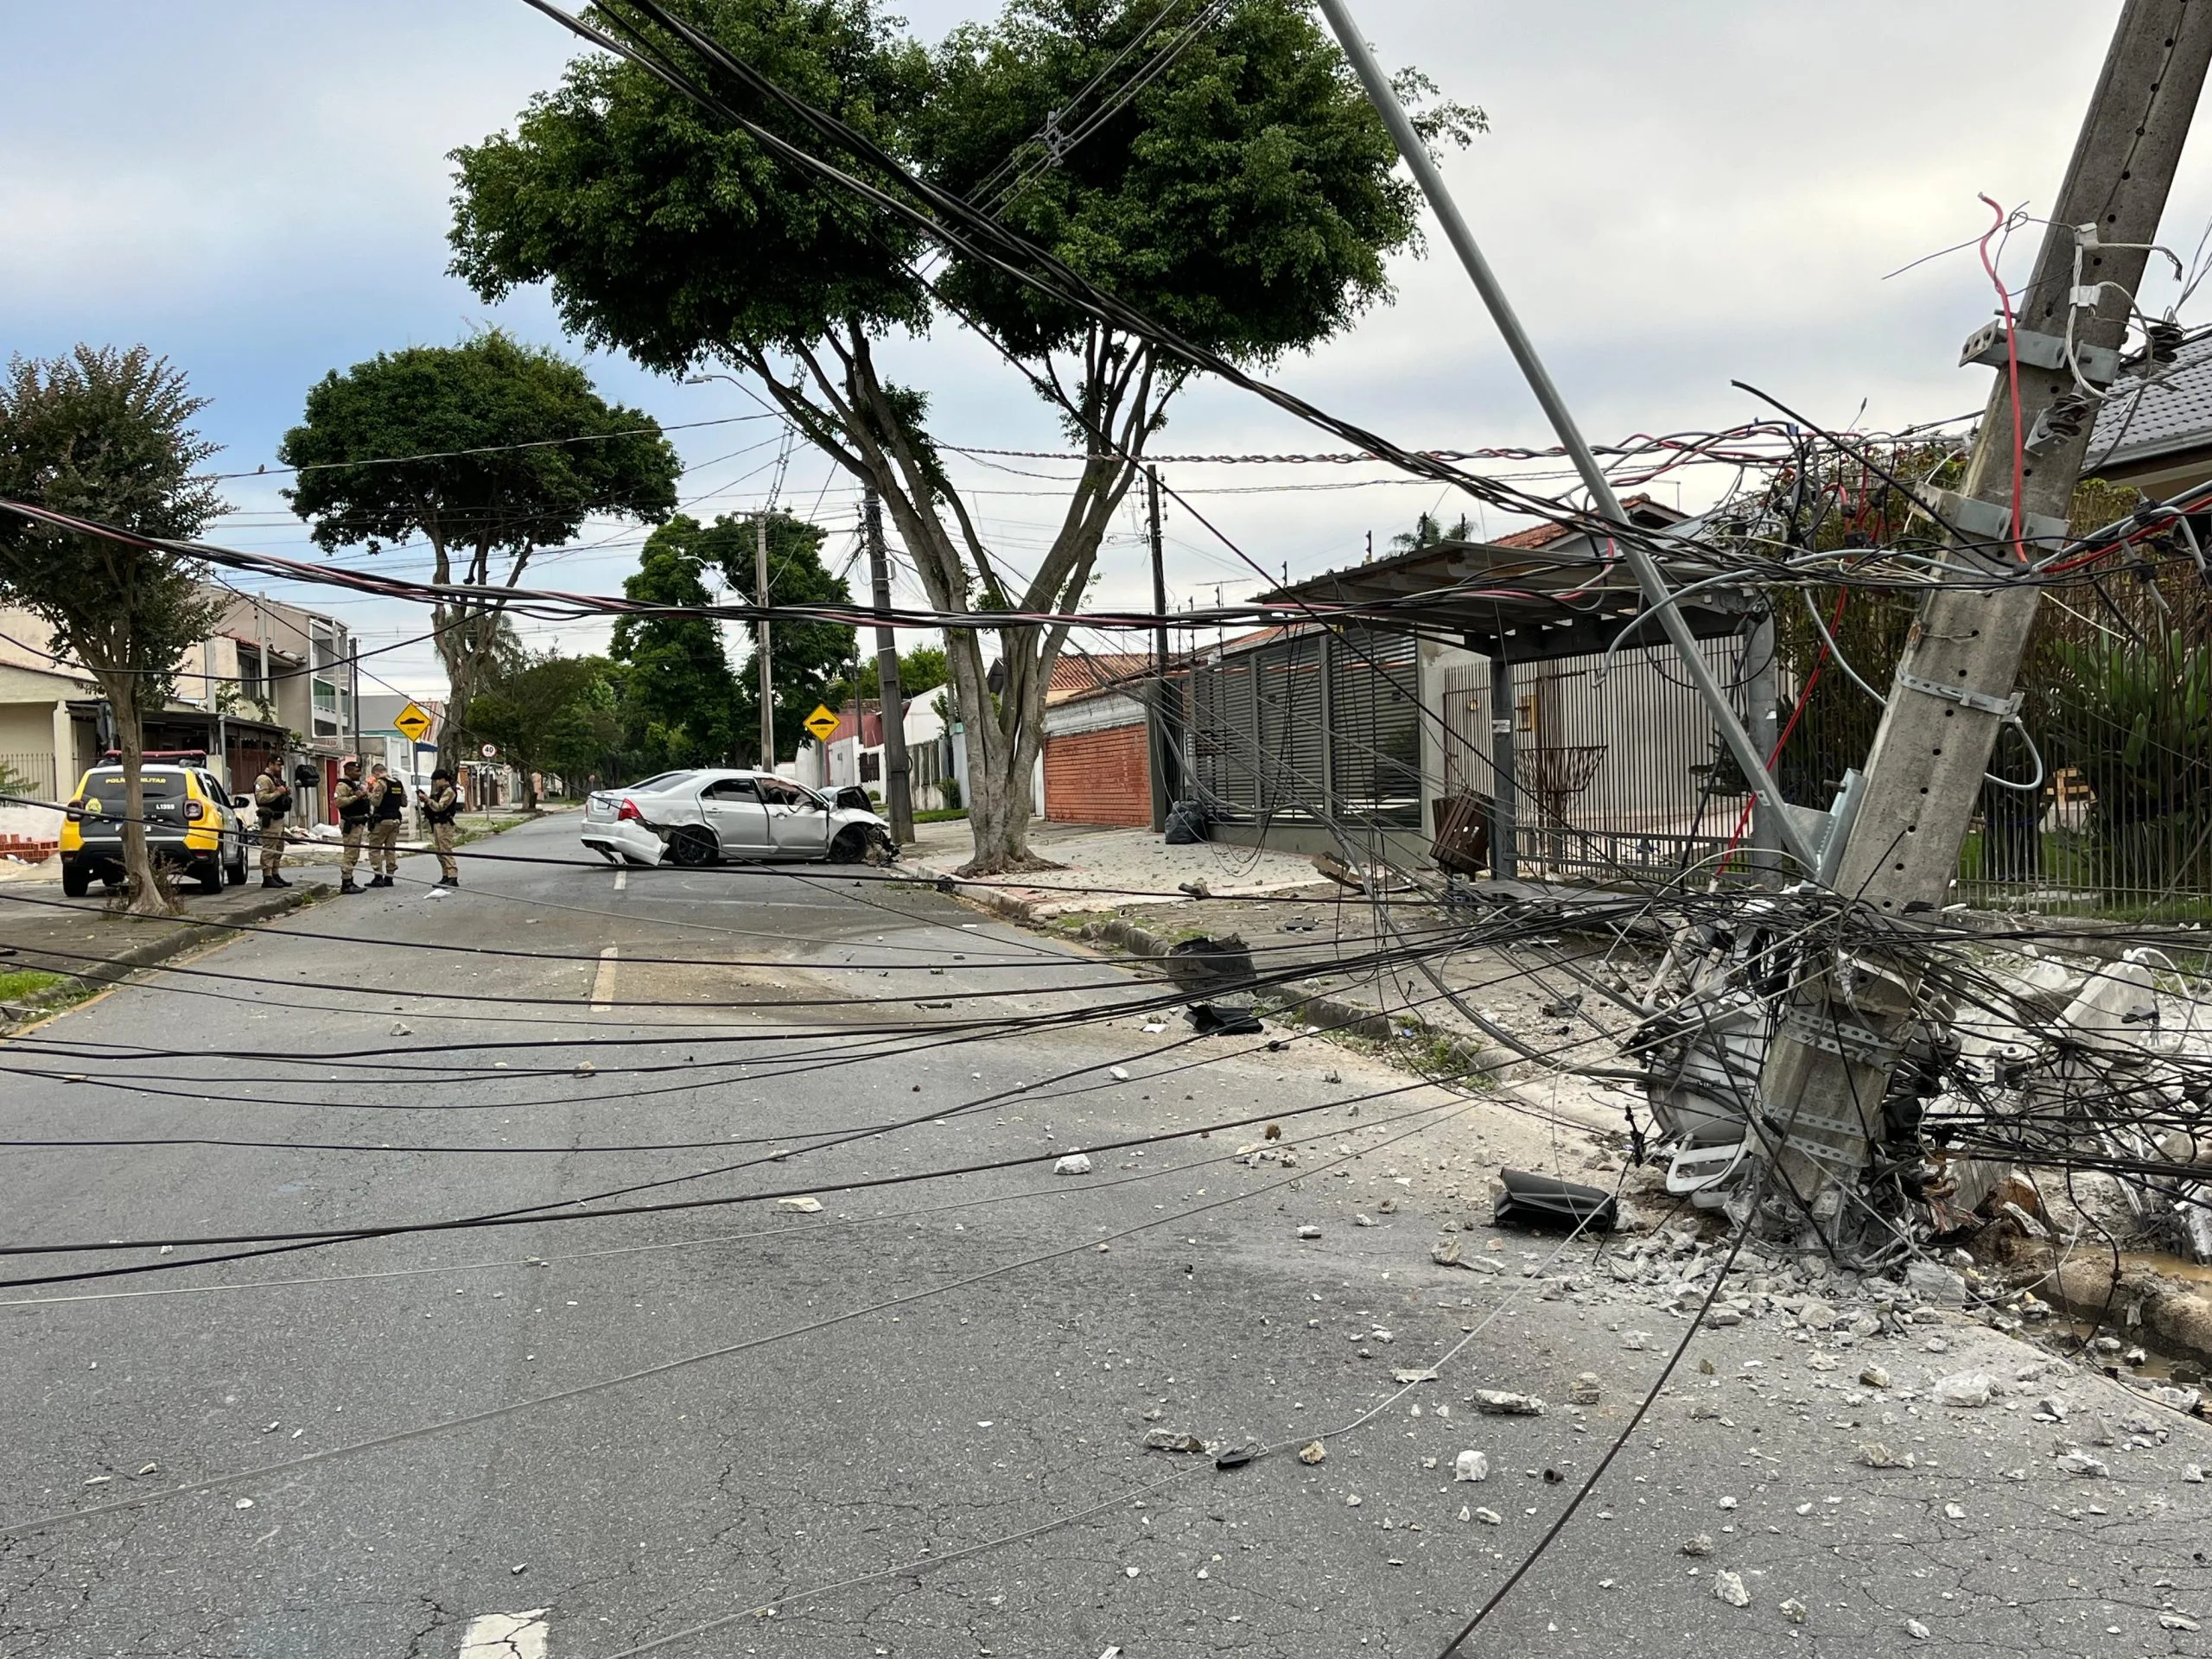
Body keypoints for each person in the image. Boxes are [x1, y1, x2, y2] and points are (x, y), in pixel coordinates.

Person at [251, 758, 292, 889]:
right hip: (270, 819)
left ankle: (275, 874)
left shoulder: (275, 779)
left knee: (279, 848)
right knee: (269, 847)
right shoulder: (263, 779)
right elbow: (261, 798)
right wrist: (278, 793)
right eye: (278, 765)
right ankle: (267, 876)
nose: (281, 768)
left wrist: (285, 792)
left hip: (279, 819)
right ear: (270, 764)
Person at [333, 757, 370, 894]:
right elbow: (339, 802)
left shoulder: (354, 785)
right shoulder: (342, 786)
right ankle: (346, 883)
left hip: (358, 822)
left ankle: (350, 880)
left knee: (354, 854)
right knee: (350, 853)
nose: (359, 773)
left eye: (359, 771)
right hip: (350, 823)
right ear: (348, 771)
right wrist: (356, 797)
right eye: (356, 771)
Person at [365, 761, 405, 887]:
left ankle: (378, 877)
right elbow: (404, 802)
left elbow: (376, 802)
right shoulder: (398, 783)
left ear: (376, 773)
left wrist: (368, 793)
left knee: (374, 848)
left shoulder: (381, 783)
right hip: (396, 820)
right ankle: (390, 877)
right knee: (390, 849)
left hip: (382, 821)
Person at [420, 766, 461, 887]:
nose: (436, 783)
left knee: (445, 850)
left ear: (443, 779)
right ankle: (445, 875)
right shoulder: (442, 791)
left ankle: (453, 876)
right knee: (439, 851)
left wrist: (428, 800)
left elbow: (440, 807)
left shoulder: (449, 791)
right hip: (437, 823)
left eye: (437, 780)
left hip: (445, 824)